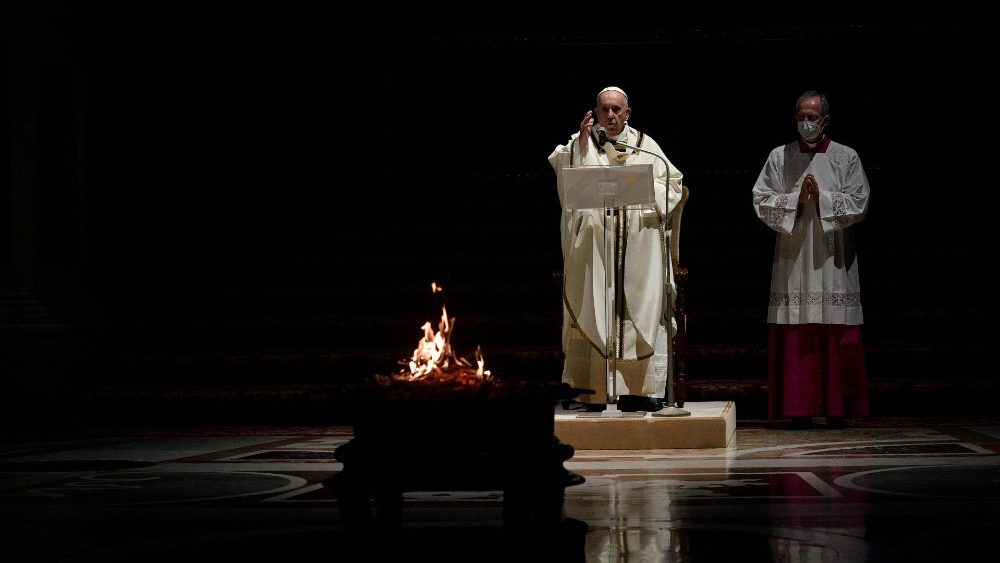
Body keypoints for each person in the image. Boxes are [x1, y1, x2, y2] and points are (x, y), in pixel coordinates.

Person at [547, 86, 684, 408]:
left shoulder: (646, 146)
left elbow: (673, 183)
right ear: (595, 111)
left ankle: (636, 393)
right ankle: (589, 392)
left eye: (616, 110)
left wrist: (644, 186)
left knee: (638, 315)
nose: (610, 115)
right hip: (596, 247)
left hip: (637, 244)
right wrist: (580, 146)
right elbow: (567, 181)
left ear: (627, 113)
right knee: (593, 308)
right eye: (604, 109)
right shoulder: (581, 142)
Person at [752, 90, 871, 428]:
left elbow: (860, 201)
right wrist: (794, 199)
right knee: (797, 328)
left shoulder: (846, 157)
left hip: (832, 256)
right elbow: (761, 198)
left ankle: (837, 408)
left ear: (826, 120)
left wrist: (823, 198)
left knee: (835, 326)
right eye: (800, 116)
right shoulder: (780, 156)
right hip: (794, 256)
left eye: (812, 117)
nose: (806, 123)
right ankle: (799, 408)